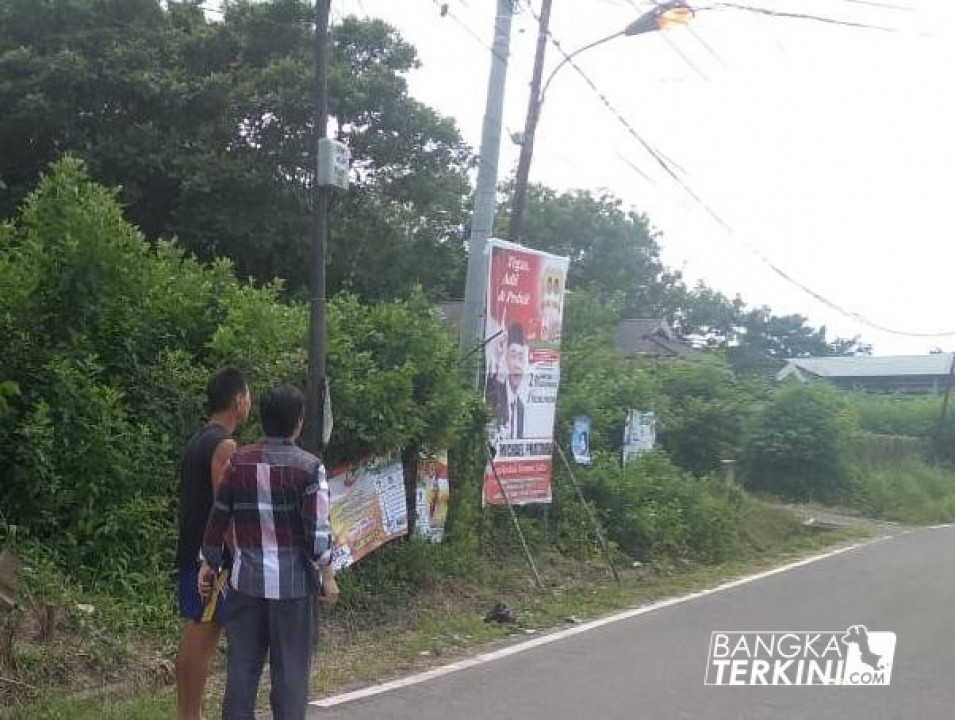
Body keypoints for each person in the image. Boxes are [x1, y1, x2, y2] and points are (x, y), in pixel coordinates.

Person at [199, 383, 338, 720]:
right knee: (290, 676)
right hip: (292, 589)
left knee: (241, 674)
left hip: (246, 584)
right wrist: (328, 575)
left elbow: (218, 516)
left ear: (263, 418)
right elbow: (317, 535)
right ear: (299, 422)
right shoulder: (309, 468)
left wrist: (208, 561)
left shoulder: (237, 462)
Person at [175, 368, 251, 720]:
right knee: (202, 633)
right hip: (211, 558)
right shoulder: (225, 444)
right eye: (247, 395)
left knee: (200, 628)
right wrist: (238, 553)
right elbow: (225, 508)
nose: (249, 401)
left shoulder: (198, 440)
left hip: (192, 548)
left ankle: (191, 712)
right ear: (238, 401)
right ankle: (190, 715)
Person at [485, 322, 528, 439]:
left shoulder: (520, 407)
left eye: (521, 358)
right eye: (513, 356)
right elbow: (490, 390)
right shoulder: (496, 392)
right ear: (506, 359)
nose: (517, 365)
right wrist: (497, 358)